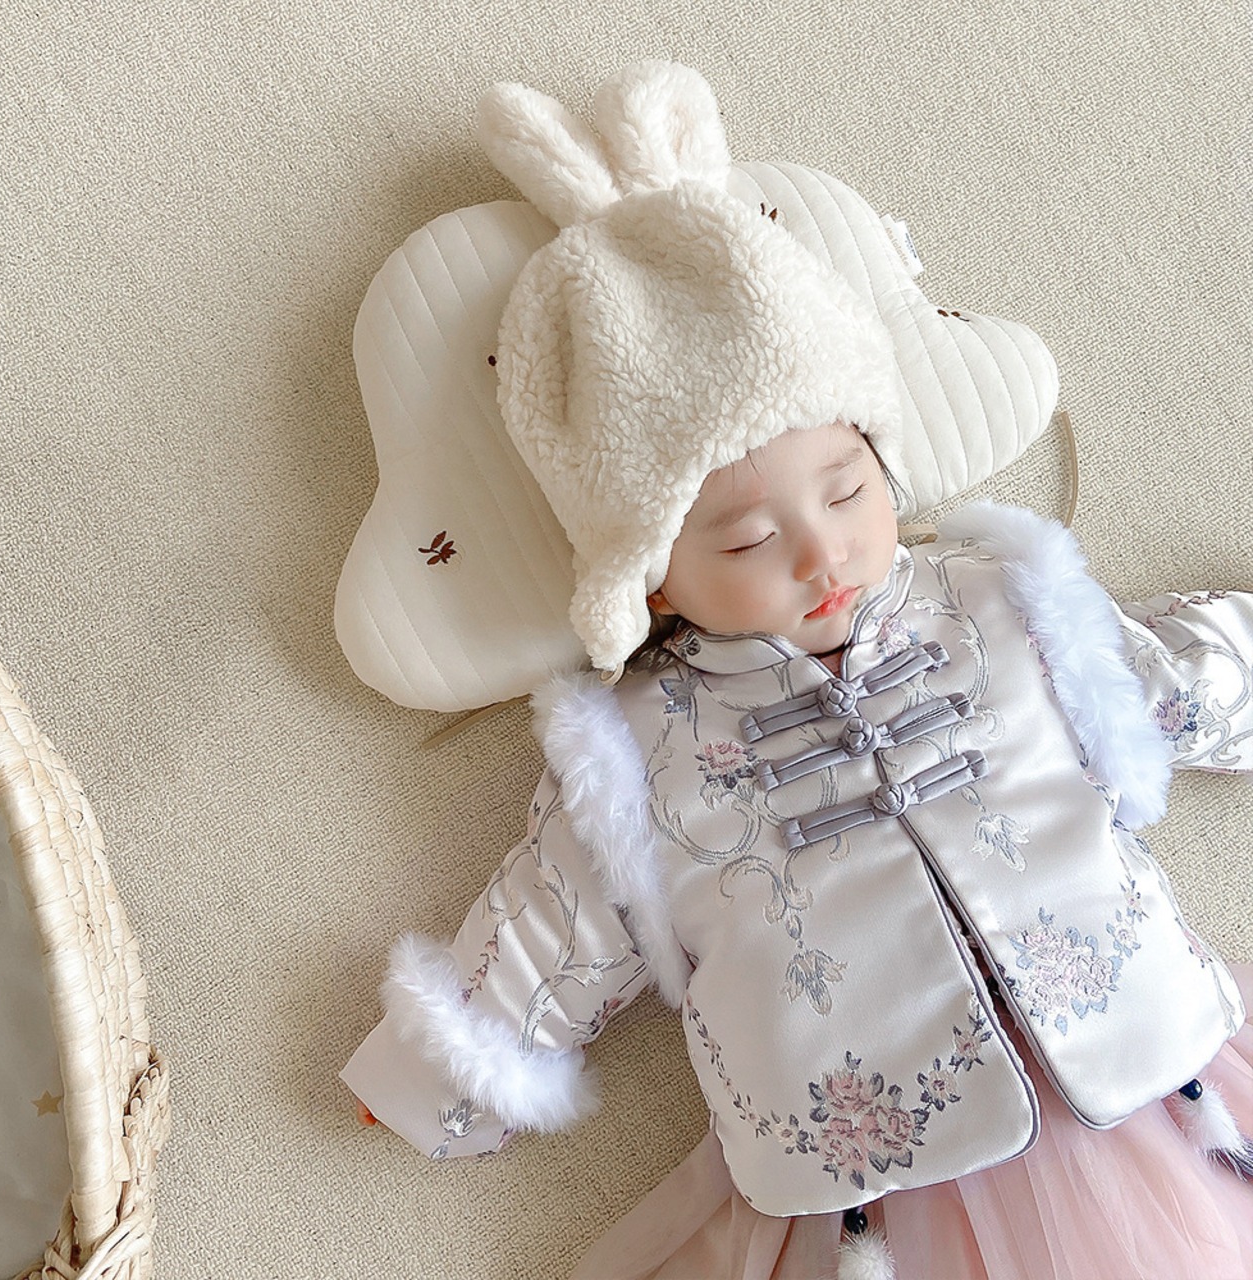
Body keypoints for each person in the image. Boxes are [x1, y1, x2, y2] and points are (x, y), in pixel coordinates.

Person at [342, 62, 1253, 1279]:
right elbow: (563, 916)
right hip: (879, 1181)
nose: (820, 551)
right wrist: (444, 1068)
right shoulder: (640, 746)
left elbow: (1158, 680)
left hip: (1152, 1086)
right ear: (649, 581)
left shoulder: (998, 598)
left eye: (846, 488)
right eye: (744, 539)